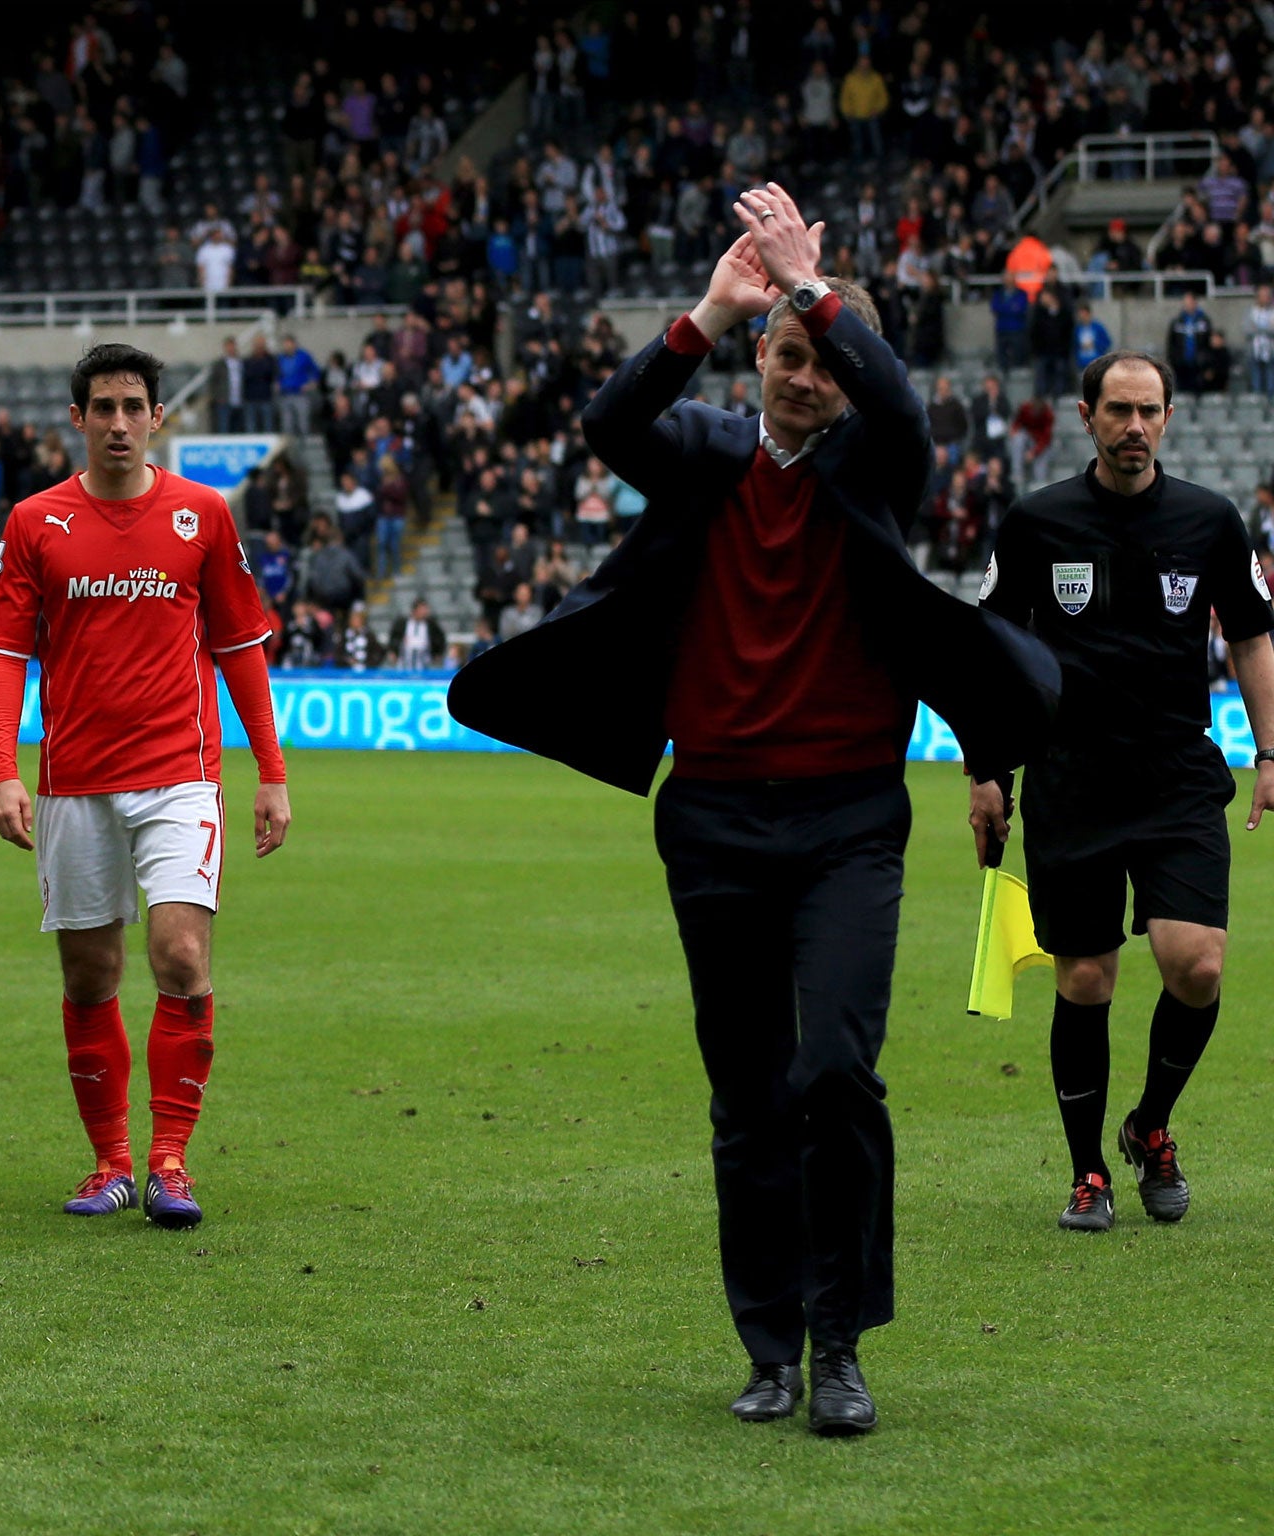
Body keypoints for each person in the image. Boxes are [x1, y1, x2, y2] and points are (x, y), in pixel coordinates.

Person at [447, 188, 1058, 1437]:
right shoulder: (705, 455)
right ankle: (767, 1347)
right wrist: (711, 310)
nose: (799, 379)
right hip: (713, 818)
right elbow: (611, 422)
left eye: (818, 360)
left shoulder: (874, 466)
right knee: (744, 1098)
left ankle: (840, 1345)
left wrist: (813, 291)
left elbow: (901, 405)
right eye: (781, 355)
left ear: (840, 374)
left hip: (847, 821)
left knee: (833, 1072)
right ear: (758, 361)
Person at [0, 343, 291, 1231]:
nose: (119, 423)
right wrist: (3, 770)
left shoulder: (202, 514)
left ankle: (169, 1162)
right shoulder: (36, 522)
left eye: (133, 407)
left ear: (158, 417)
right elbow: (1, 651)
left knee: (181, 957)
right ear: (76, 420)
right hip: (73, 781)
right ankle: (111, 1161)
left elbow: (239, 648)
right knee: (89, 974)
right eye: (103, 408)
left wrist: (271, 773)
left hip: (178, 778)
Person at [972, 350, 1274, 1234]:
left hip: (1179, 775)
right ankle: (1089, 1173)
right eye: (1119, 411)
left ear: (1170, 418)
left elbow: (1253, 639)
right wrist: (985, 771)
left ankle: (1150, 1125)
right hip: (1071, 780)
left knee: (1199, 965)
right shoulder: (1036, 523)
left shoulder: (1213, 522)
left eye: (1149, 411)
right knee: (1088, 980)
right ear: (1087, 415)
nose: (1135, 426)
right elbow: (988, 651)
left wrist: (1270, 751)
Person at [389, 598, 445, 669]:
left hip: (425, 663)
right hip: (405, 662)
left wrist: (438, 653)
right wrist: (393, 651)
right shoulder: (402, 623)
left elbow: (439, 639)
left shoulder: (431, 625)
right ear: (415, 610)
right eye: (422, 609)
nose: (425, 612)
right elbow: (394, 637)